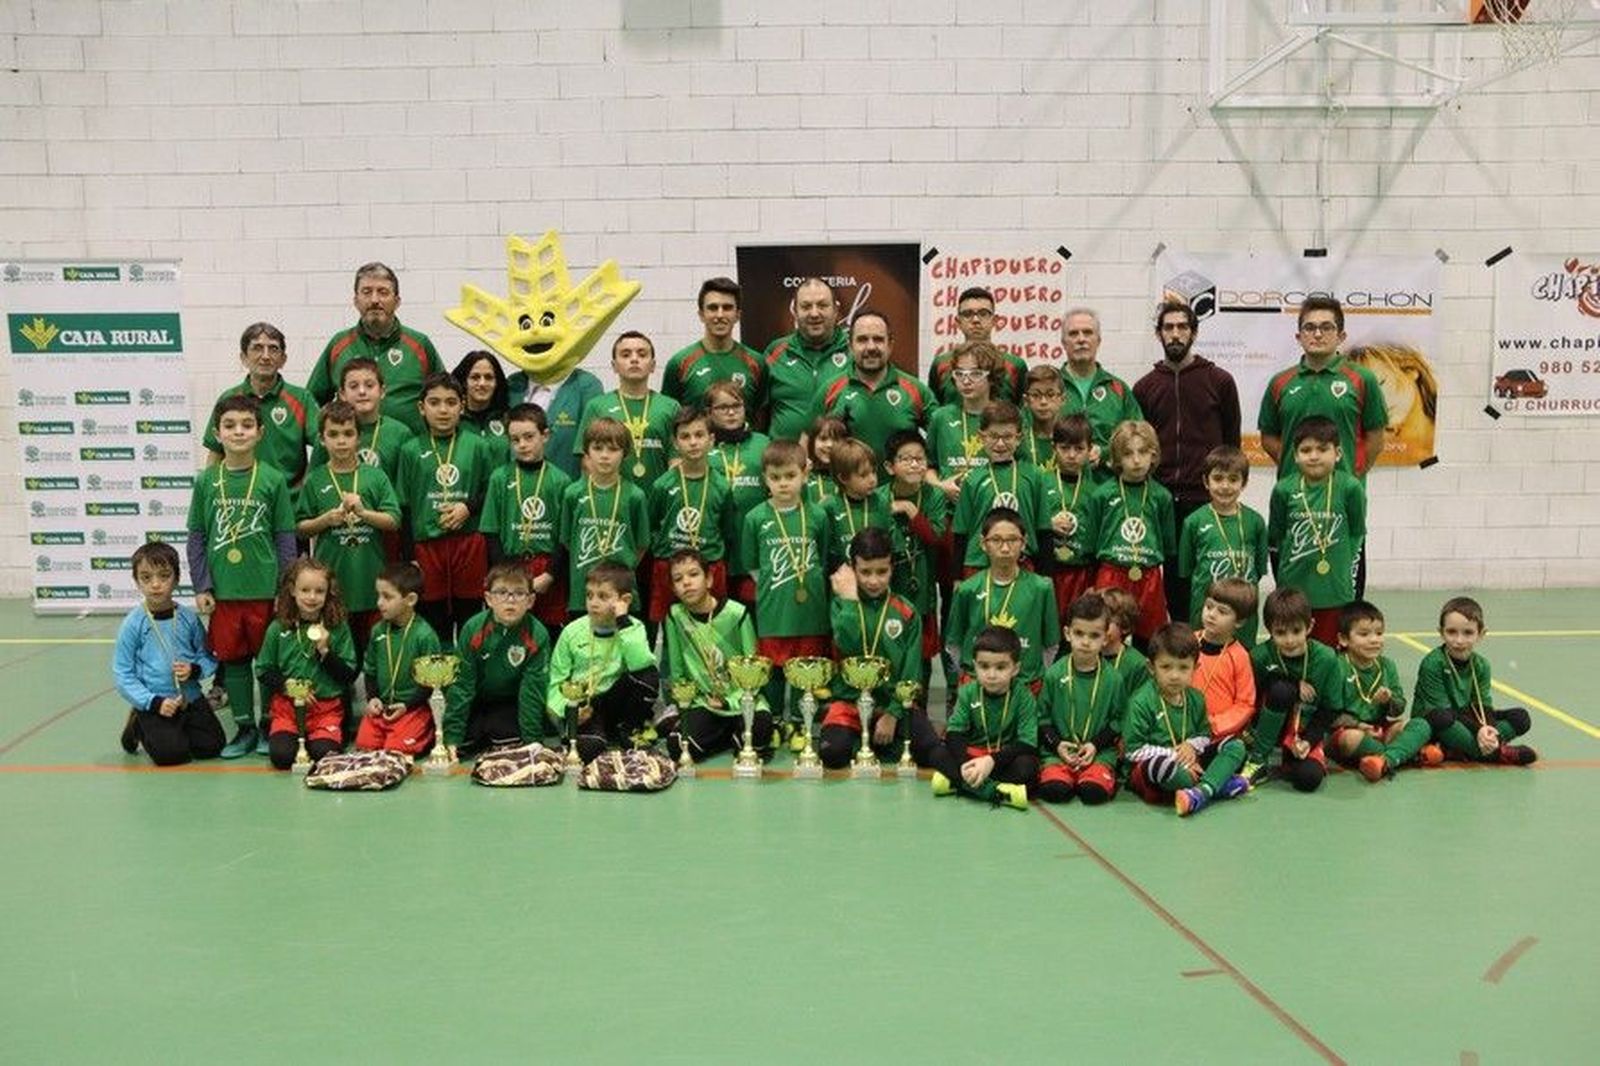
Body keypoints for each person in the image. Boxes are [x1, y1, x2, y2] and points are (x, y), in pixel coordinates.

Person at [187, 395, 298, 758]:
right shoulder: (206, 482)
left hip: (265, 590)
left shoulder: (272, 479)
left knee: (266, 662)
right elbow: (197, 537)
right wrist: (202, 584)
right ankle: (244, 728)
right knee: (233, 661)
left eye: (247, 425)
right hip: (225, 592)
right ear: (217, 433)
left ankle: (268, 724)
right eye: (230, 425)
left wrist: (287, 588)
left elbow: (285, 537)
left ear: (260, 432)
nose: (238, 431)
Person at [1258, 296, 1388, 596]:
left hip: (1341, 507)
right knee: (1291, 600)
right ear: (1298, 335)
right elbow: (1269, 437)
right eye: (1310, 327)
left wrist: (1349, 476)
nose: (1317, 334)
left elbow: (1375, 438)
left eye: (1326, 327)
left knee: (1344, 599)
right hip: (1296, 505)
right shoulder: (1281, 382)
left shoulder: (1361, 379)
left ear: (1341, 335)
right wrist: (1300, 468)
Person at [1134, 300, 1242, 620]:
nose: (1176, 334)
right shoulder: (1145, 387)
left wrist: (1225, 489)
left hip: (1205, 499)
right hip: (1162, 500)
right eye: (1169, 328)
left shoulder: (1220, 381)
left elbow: (1231, 445)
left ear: (1194, 332)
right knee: (1175, 583)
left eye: (1183, 327)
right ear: (1159, 334)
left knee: (1212, 578)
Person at [731, 440, 832, 742]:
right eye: (775, 478)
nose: (783, 484)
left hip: (811, 609)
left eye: (790, 476)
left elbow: (823, 559)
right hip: (774, 608)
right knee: (773, 669)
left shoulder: (817, 515)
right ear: (765, 479)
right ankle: (774, 720)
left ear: (805, 475)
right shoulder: (755, 518)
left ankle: (802, 722)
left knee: (806, 668)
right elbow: (750, 562)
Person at [296, 399, 402, 665]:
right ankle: (339, 701)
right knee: (336, 649)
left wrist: (364, 513)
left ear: (359, 437)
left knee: (374, 651)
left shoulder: (375, 477)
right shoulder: (316, 479)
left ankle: (373, 700)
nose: (341, 441)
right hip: (333, 584)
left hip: (371, 581)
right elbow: (300, 527)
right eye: (333, 434)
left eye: (348, 433)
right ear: (321, 439)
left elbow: (394, 519)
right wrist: (325, 520)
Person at [395, 372, 496, 641]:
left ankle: (466, 680)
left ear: (462, 406)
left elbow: (492, 492)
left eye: (451, 402)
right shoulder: (410, 450)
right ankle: (434, 681)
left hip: (469, 545)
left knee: (470, 622)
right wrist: (409, 556)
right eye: (435, 402)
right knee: (432, 623)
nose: (443, 410)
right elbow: (403, 506)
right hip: (427, 548)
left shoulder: (478, 446)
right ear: (421, 407)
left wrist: (468, 507)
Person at [819, 528, 924, 770]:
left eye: (882, 572)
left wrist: (893, 714)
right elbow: (848, 644)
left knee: (927, 749)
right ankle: (870, 744)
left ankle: (874, 740)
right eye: (865, 572)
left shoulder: (906, 611)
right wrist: (849, 601)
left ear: (892, 568)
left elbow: (912, 672)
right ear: (853, 568)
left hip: (892, 704)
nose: (874, 581)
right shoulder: (840, 605)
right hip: (849, 704)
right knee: (832, 754)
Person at [1124, 622, 1250, 817]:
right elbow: (1133, 751)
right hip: (1158, 769)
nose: (1175, 676)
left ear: (1195, 668)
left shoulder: (1196, 698)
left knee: (1235, 745)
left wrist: (1191, 746)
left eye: (1183, 668)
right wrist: (1175, 755)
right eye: (1166, 667)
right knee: (1159, 766)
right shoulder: (1141, 702)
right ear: (1151, 667)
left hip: (1192, 760)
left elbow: (1205, 735)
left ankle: (1200, 793)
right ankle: (1214, 784)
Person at [113, 542, 223, 766]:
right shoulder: (133, 624)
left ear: (176, 578)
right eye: (146, 578)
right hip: (155, 700)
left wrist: (195, 670)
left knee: (212, 747)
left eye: (164, 576)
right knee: (171, 756)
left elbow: (208, 656)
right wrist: (152, 702)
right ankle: (138, 721)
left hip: (189, 698)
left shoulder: (188, 618)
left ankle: (178, 727)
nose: (155, 585)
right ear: (137, 581)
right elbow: (123, 674)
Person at [308, 262, 445, 436]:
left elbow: (444, 396)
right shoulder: (338, 345)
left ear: (397, 301)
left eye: (383, 292)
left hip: (407, 456)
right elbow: (311, 402)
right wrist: (326, 439)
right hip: (350, 455)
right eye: (367, 292)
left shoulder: (420, 344)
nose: (374, 300)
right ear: (356, 301)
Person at [660, 549, 768, 764]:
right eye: (678, 579)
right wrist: (685, 704)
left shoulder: (737, 614)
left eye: (693, 574)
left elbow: (754, 672)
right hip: (704, 703)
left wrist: (729, 702)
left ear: (708, 579)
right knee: (678, 748)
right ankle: (728, 737)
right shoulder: (675, 616)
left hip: (743, 699)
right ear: (673, 588)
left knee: (757, 738)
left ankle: (732, 734)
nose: (687, 583)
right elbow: (677, 669)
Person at [1268, 416, 1365, 647]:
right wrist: (1284, 581)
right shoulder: (1283, 489)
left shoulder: (1350, 488)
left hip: (1335, 589)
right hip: (1295, 590)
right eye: (1306, 450)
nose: (1314, 456)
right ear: (1295, 455)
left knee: (1330, 655)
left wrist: (1343, 570)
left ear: (1338, 453)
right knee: (1292, 649)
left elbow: (1357, 533)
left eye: (1323, 449)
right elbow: (1277, 536)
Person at [548, 561, 659, 762]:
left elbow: (641, 664)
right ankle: (596, 733)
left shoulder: (634, 627)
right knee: (590, 748)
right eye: (589, 595)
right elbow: (555, 682)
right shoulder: (571, 632)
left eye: (603, 596)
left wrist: (623, 621)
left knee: (648, 675)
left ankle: (630, 728)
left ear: (624, 600)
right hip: (586, 707)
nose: (593, 602)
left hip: (617, 701)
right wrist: (569, 711)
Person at [254, 558, 359, 771]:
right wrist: (287, 686)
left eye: (319, 591)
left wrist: (325, 652)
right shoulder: (277, 628)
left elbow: (348, 675)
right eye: (305, 590)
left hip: (325, 709)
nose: (312, 597)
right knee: (282, 757)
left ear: (329, 592)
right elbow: (263, 670)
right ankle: (291, 736)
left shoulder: (338, 627)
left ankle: (321, 737)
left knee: (325, 756)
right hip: (288, 710)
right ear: (293, 590)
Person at [442, 562, 552, 758]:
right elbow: (462, 685)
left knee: (506, 738)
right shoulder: (473, 628)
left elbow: (532, 690)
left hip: (510, 701)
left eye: (519, 593)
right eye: (501, 592)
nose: (510, 600)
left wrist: (533, 741)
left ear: (530, 600)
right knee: (465, 742)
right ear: (488, 598)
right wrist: (452, 737)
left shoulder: (538, 634)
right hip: (477, 698)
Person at [480, 403, 572, 636]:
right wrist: (506, 575)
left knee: (549, 632)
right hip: (510, 566)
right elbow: (491, 532)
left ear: (545, 435)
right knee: (512, 631)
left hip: (548, 570)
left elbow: (566, 536)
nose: (522, 445)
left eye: (529, 437)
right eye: (515, 439)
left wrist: (550, 575)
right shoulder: (500, 478)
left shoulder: (561, 481)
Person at [1413, 596, 1537, 766]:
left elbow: (1482, 706)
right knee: (1440, 717)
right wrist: (1478, 730)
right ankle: (1497, 753)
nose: (1459, 640)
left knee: (1521, 717)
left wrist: (1487, 731)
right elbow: (1440, 710)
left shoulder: (1481, 665)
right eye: (1451, 632)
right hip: (1438, 723)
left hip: (1467, 720)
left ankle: (1465, 749)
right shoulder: (1433, 663)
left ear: (1481, 634)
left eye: (1468, 633)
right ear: (1441, 632)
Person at [926, 625, 1037, 811]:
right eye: (984, 666)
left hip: (1002, 759)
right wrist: (963, 765)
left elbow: (1027, 743)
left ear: (1015, 668)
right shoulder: (968, 692)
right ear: (974, 665)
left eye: (1001, 667)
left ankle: (959, 784)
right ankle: (996, 791)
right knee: (936, 753)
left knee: (1028, 766)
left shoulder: (1024, 696)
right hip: (972, 756)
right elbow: (954, 732)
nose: (991, 675)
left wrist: (991, 761)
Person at [946, 509, 1058, 690]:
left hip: (1025, 685)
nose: (1005, 548)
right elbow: (954, 643)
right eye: (996, 540)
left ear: (1024, 543)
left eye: (1013, 540)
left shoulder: (1041, 589)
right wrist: (976, 677)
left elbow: (1051, 644)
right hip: (976, 685)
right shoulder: (967, 589)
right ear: (983, 543)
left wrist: (1033, 677)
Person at [1246, 586, 1345, 791]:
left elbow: (1331, 708)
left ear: (1310, 626)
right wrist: (1291, 683)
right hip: (1269, 724)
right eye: (1280, 633)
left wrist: (1309, 741)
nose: (1289, 640)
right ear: (1269, 629)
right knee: (1282, 690)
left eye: (1296, 631)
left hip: (1305, 728)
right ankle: (1258, 760)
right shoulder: (1259, 656)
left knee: (1308, 779)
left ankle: (1291, 758)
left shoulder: (1327, 658)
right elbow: (1251, 696)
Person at [203, 322, 319, 493]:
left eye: (273, 349)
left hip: (291, 503)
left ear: (283, 360)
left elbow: (324, 444)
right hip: (241, 500)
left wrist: (308, 484)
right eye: (257, 348)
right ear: (243, 357)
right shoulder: (228, 398)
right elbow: (215, 453)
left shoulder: (302, 399)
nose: (265, 356)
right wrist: (209, 493)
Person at [1330, 600, 1439, 782]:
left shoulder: (1387, 665)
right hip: (1347, 732)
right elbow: (1329, 713)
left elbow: (1399, 707)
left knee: (1421, 724)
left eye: (1379, 633)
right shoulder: (1337, 666)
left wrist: (1389, 701)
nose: (1374, 640)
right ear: (1343, 639)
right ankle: (1408, 754)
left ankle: (1383, 761)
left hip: (1379, 728)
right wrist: (1358, 725)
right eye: (1364, 634)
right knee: (1351, 738)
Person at [646, 406, 734, 626]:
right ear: (675, 443)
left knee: (713, 627)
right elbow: (651, 525)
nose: (693, 442)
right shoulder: (662, 485)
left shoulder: (722, 486)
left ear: (711, 440)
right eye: (685, 437)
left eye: (699, 435)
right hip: (669, 567)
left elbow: (728, 530)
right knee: (670, 629)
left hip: (710, 566)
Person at [1090, 420, 1175, 642]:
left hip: (1149, 577)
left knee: (1151, 641)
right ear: (1116, 458)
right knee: (1106, 636)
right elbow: (1092, 541)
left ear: (1153, 455)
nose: (1136, 460)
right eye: (1127, 454)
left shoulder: (1162, 496)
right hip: (1111, 574)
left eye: (1143, 452)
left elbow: (1168, 545)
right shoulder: (1102, 494)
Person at [810, 309, 932, 463]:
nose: (871, 347)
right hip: (845, 486)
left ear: (890, 345)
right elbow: (808, 444)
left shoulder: (916, 390)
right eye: (862, 340)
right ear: (850, 346)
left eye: (878, 339)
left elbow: (942, 438)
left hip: (902, 487)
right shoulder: (829, 390)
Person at [558, 417, 651, 618]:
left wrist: (620, 569)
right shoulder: (572, 493)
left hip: (620, 592)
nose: (604, 456)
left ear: (624, 454)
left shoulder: (635, 495)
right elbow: (567, 540)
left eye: (613, 449)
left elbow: (642, 545)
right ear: (587, 451)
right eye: (598, 448)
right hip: (582, 592)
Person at [1036, 591, 1122, 805]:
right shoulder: (1054, 674)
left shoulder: (1113, 679)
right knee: (1055, 791)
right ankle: (1062, 773)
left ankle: (1097, 776)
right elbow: (1042, 718)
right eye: (1079, 633)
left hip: (1099, 753)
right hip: (1059, 753)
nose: (1085, 642)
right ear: (1067, 633)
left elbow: (1118, 721)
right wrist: (1057, 745)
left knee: (1093, 793)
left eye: (1094, 636)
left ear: (1105, 638)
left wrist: (1095, 745)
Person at [874, 430, 946, 685]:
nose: (915, 464)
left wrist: (911, 510)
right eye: (906, 459)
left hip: (921, 583)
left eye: (920, 458)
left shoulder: (933, 495)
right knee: (888, 644)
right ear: (889, 466)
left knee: (922, 652)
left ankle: (919, 708)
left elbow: (935, 536)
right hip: (887, 583)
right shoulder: (879, 497)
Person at [1178, 445, 1268, 647]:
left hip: (1242, 612)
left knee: (1241, 658)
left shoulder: (1256, 521)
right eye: (1218, 478)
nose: (1225, 486)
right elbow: (1187, 569)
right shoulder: (1193, 522)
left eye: (1233, 479)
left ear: (1244, 483)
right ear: (1205, 482)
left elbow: (1259, 569)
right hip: (1206, 610)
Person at [356, 562, 444, 756]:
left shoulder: (424, 635)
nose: (379, 602)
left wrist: (407, 705)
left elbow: (431, 684)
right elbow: (370, 671)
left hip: (412, 708)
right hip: (383, 709)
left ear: (410, 599)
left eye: (387, 597)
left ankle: (426, 730)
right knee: (364, 746)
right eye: (378, 595)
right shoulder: (378, 630)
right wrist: (373, 699)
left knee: (397, 750)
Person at [574, 331, 680, 489]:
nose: (634, 359)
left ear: (652, 365)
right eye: (625, 354)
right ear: (614, 366)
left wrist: (665, 496)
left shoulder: (670, 406)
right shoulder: (597, 406)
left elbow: (677, 459)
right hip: (615, 504)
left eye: (642, 354)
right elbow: (587, 460)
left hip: (658, 503)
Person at [953, 401, 1044, 572]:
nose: (1000, 444)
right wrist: (957, 578)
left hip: (1023, 564)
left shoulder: (1034, 476)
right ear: (981, 437)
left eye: (1007, 437)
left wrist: (1046, 575)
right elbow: (961, 533)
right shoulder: (972, 479)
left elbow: (1043, 530)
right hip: (978, 565)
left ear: (1019, 438)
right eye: (994, 436)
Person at [760, 276, 850, 442]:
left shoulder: (855, 351)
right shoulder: (775, 352)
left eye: (822, 305)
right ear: (795, 311)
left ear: (836, 310)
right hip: (786, 465)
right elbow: (759, 413)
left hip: (841, 463)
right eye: (806, 306)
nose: (814, 313)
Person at [1036, 414, 1102, 634]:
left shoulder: (1097, 490)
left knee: (1079, 627)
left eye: (1079, 449)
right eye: (1065, 448)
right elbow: (1027, 522)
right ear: (1054, 448)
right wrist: (1047, 523)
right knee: (1049, 629)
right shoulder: (1041, 482)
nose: (1072, 455)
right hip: (1049, 570)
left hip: (1083, 572)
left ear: (1090, 449)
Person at [662, 276, 765, 413]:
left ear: (738, 315)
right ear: (701, 315)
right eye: (713, 308)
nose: (720, 314)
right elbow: (669, 416)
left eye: (727, 308)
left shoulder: (756, 362)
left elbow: (762, 417)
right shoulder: (679, 363)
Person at [306, 356, 412, 483]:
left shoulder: (400, 434)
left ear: (382, 391)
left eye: (369, 385)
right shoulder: (330, 433)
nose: (362, 391)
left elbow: (406, 488)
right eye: (353, 386)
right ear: (342, 394)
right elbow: (314, 482)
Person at [504, 354, 604, 481]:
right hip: (517, 484)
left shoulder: (586, 385)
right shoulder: (513, 384)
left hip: (567, 483)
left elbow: (595, 443)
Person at [1058, 308, 1142, 454]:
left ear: (1098, 341)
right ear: (1064, 343)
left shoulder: (1118, 389)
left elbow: (1138, 438)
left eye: (1088, 332)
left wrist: (1103, 453)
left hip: (1107, 476)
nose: (1081, 339)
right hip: (1058, 476)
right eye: (1073, 334)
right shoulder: (1049, 388)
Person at [927, 287, 1029, 404]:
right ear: (958, 322)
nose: (975, 320)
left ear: (994, 320)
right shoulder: (941, 364)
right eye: (967, 314)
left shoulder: (1015, 365)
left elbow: (1023, 415)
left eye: (983, 313)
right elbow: (934, 414)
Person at [926, 340, 998, 494]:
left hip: (992, 508)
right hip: (949, 510)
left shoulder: (1005, 416)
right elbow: (928, 467)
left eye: (976, 374)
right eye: (960, 374)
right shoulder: (941, 417)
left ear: (991, 378)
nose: (966, 381)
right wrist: (941, 485)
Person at [1192, 577, 1257, 742]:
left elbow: (1245, 704)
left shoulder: (1239, 656)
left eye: (1222, 611)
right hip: (1182, 725)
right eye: (1208, 606)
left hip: (1219, 735)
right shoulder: (1188, 643)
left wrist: (1214, 726)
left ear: (1240, 621)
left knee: (1234, 751)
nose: (1211, 614)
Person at [705, 379, 771, 542]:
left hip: (756, 533)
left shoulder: (762, 443)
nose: (731, 412)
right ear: (709, 412)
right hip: (715, 534)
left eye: (736, 406)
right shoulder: (704, 446)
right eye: (722, 407)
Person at [821, 437, 889, 574]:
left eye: (874, 472)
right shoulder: (829, 507)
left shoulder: (881, 502)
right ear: (843, 478)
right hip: (843, 583)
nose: (872, 479)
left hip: (876, 581)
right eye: (863, 475)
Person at [453, 349, 512, 468]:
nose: (482, 383)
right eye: (475, 377)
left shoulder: (508, 418)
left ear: (497, 383)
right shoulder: (453, 420)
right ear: (465, 382)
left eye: (489, 377)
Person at [1099, 586, 1150, 702]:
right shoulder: (1086, 655)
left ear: (1125, 626)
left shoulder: (1137, 665)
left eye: (1108, 621)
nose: (1099, 626)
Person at [1020, 365, 1065, 471]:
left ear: (1062, 399)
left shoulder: (1072, 439)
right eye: (1036, 395)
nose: (1043, 402)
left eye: (1050, 395)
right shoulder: (1019, 440)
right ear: (1026, 401)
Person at [803, 415, 848, 508]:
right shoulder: (803, 476)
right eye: (823, 438)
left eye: (836, 440)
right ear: (812, 443)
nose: (830, 445)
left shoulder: (851, 476)